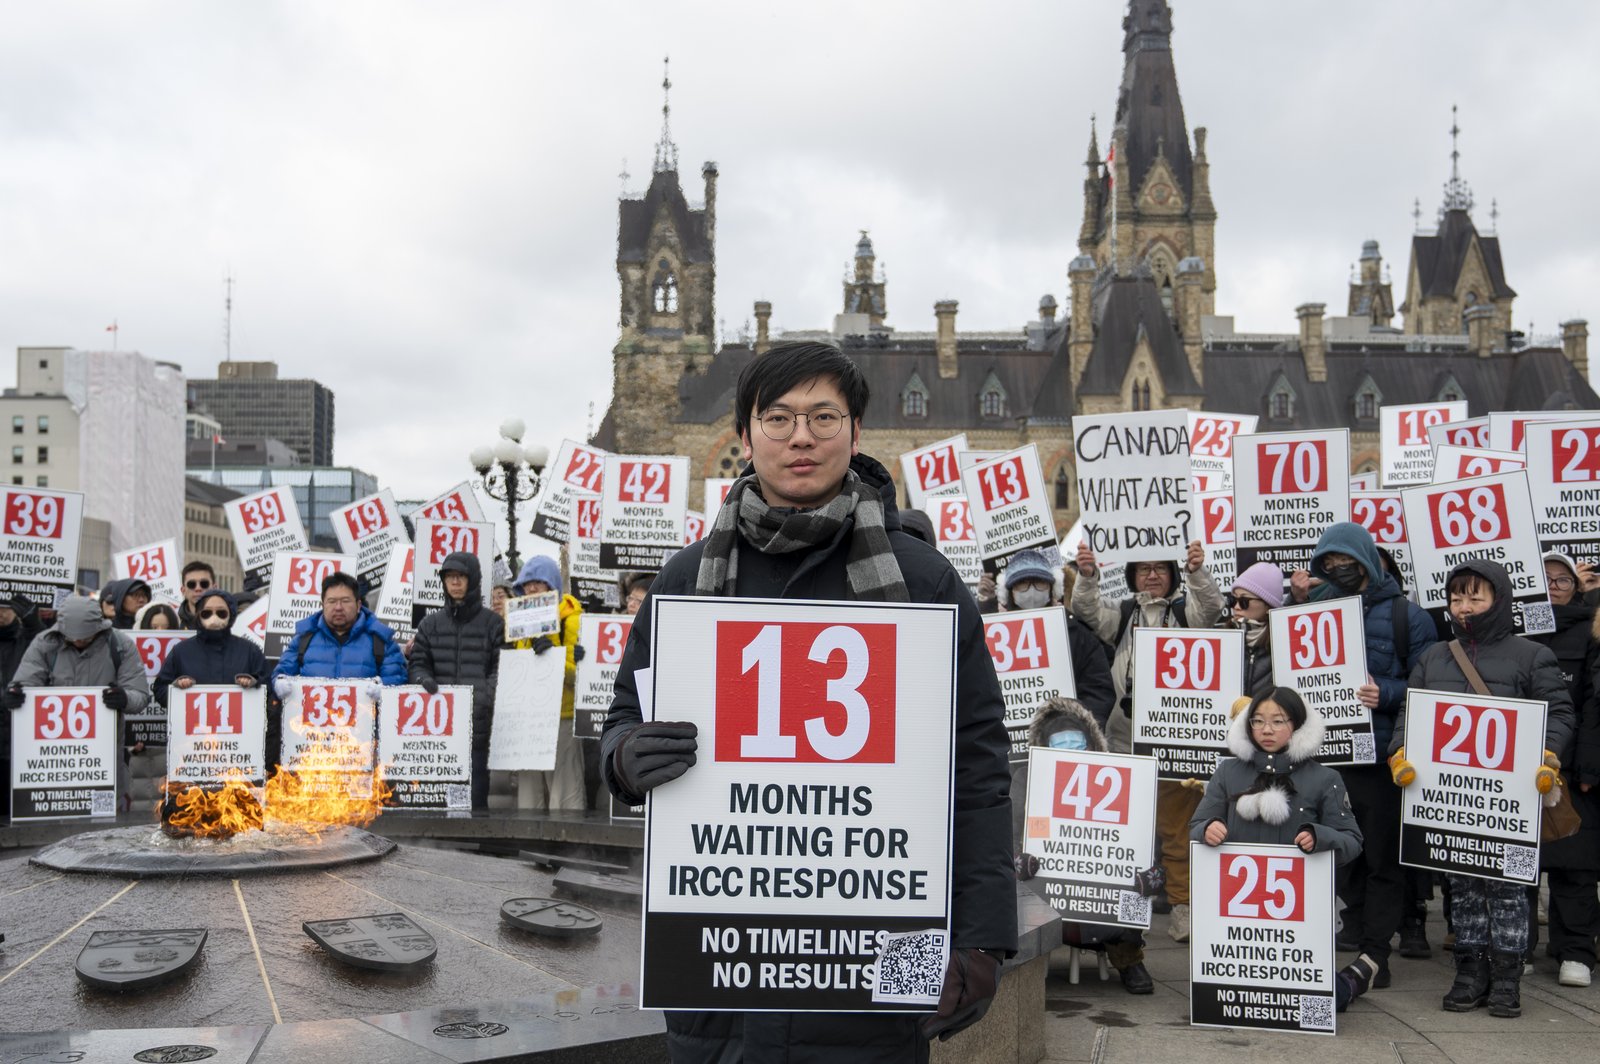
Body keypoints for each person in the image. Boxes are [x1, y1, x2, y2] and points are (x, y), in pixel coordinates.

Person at [601, 341, 1014, 1059]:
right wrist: (626, 759)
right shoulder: (686, 578)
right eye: (780, 417)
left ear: (856, 434)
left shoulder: (922, 582)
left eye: (824, 417)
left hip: (883, 953)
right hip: (716, 966)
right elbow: (621, 724)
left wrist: (982, 936)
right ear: (744, 435)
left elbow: (976, 767)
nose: (801, 437)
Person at [1389, 559, 1575, 1016]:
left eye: (1476, 596)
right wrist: (1400, 754)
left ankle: (1508, 978)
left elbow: (1560, 713)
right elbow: (1409, 716)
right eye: (1457, 597)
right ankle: (1469, 973)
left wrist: (1548, 755)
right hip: (1452, 800)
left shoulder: (1532, 655)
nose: (1465, 605)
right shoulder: (1434, 657)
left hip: (1510, 800)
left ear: (1498, 599)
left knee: (1509, 888)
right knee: (1464, 886)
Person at [1292, 522, 1438, 987]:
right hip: (1323, 757)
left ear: (1367, 561)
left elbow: (1431, 685)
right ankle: (1348, 929)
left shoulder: (1408, 617)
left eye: (1346, 562)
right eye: (1328, 563)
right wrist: (1295, 606)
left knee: (1380, 858)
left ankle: (1378, 953)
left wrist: (1389, 693)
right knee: (1334, 851)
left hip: (1376, 757)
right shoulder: (1315, 608)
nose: (1337, 570)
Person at [1070, 539, 1224, 943]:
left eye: (1161, 568)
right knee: (1128, 839)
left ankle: (1183, 908)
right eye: (1144, 569)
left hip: (1176, 743)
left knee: (1177, 834)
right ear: (1132, 576)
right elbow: (1086, 610)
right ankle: (1127, 926)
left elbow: (1210, 609)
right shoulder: (1122, 614)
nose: (1152, 575)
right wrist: (1087, 577)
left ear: (1172, 574)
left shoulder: (1184, 611)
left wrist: (1196, 573)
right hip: (1125, 744)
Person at [1191, 688, 1373, 1011]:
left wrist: (1319, 836)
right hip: (1236, 916)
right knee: (1235, 998)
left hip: (1298, 916)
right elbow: (1195, 826)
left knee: (1314, 1004)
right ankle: (1349, 977)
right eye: (1258, 721)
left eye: (1278, 721)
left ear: (1298, 724)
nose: (1267, 729)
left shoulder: (1324, 778)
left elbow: (1353, 841)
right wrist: (1207, 829)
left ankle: (1352, 978)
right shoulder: (1227, 772)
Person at [1016, 696, 1165, 995]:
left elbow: (1146, 838)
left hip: (1102, 899)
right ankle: (1022, 964)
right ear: (1044, 747)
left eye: (1076, 742)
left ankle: (1128, 958)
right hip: (1045, 895)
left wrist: (1154, 873)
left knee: (1133, 882)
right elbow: (1005, 834)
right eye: (1061, 744)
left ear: (1091, 743)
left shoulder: (1123, 779)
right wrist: (1017, 859)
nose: (1070, 751)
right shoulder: (1026, 778)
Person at [1527, 552, 1599, 988]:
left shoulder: (1591, 631)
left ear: (1576, 586)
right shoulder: (1516, 630)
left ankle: (1576, 951)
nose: (1554, 585)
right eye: (1546, 578)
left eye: (1563, 579)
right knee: (1520, 866)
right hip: (1518, 768)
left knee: (1576, 863)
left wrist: (1588, 764)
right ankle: (1520, 947)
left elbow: (1594, 704)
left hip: (1572, 768)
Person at [271, 572, 407, 762]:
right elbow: (282, 671)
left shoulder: (380, 641)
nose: (338, 607)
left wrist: (385, 690)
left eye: (345, 601)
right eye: (332, 601)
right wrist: (279, 682)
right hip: (311, 748)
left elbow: (398, 679)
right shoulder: (304, 639)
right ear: (323, 604)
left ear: (359, 604)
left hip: (362, 750)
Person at [409, 552, 504, 812]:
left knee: (475, 796)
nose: (455, 582)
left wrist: (482, 697)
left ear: (472, 580)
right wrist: (423, 679)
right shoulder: (429, 625)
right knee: (438, 798)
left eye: (460, 576)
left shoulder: (493, 624)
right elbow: (418, 663)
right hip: (439, 730)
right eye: (449, 577)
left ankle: (477, 852)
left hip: (478, 726)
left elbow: (501, 669)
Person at [997, 548, 1114, 727]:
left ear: (1053, 588)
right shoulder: (992, 638)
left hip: (1066, 738)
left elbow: (1099, 690)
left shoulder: (1077, 633)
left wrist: (1078, 726)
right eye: (1022, 584)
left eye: (1039, 583)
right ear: (1009, 592)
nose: (1031, 591)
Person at [513, 555, 586, 811]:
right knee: (529, 792)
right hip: (529, 718)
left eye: (538, 582)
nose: (531, 589)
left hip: (561, 716)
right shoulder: (519, 621)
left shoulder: (572, 619)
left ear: (552, 585)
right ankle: (527, 841)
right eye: (526, 583)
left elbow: (579, 675)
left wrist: (551, 652)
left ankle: (568, 844)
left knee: (565, 789)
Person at [6, 596, 151, 719]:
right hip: (51, 741)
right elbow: (25, 683)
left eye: (86, 638)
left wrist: (125, 698)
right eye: (71, 638)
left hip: (104, 741)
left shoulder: (121, 644)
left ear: (99, 628)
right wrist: (17, 695)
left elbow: (140, 694)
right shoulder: (45, 643)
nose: (78, 642)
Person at [153, 588, 269, 707]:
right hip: (194, 723)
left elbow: (268, 689)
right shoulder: (181, 651)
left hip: (239, 724)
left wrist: (254, 683)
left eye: (221, 613)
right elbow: (160, 691)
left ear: (231, 615)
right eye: (207, 613)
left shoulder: (250, 650)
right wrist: (177, 687)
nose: (214, 618)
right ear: (199, 615)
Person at [0, 595, 41, 822]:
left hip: (21, 743)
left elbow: (46, 647)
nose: (1, 613)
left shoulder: (28, 638)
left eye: (6, 607)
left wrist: (34, 624)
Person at [1225, 562, 1284, 700]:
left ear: (1268, 605)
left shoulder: (1282, 648)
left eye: (1244, 601)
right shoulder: (1222, 642)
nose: (1236, 607)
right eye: (1233, 600)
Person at [177, 561, 218, 630]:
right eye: (192, 584)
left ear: (214, 588)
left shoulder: (227, 621)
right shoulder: (174, 625)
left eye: (204, 584)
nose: (198, 588)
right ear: (183, 590)